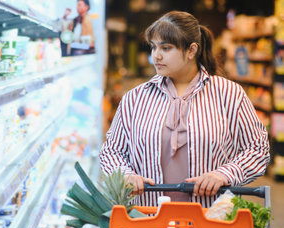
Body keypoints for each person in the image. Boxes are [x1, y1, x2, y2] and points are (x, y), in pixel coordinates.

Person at [99, 11, 270, 208]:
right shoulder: (135, 98)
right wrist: (125, 175)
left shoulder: (229, 94)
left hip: (209, 219)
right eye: (153, 47)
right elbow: (112, 150)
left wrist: (224, 174)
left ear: (191, 50)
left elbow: (258, 149)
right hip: (147, 218)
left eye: (166, 47)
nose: (156, 55)